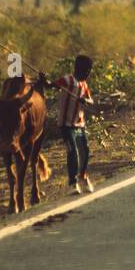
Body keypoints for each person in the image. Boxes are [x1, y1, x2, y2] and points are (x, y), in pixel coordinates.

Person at [52, 55, 95, 194]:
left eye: (90, 70)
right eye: (87, 69)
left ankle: (83, 176)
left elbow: (91, 100)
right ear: (79, 68)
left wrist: (85, 101)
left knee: (85, 152)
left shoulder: (84, 85)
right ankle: (72, 183)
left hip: (80, 124)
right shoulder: (67, 80)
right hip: (66, 125)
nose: (88, 73)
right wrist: (43, 79)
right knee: (72, 152)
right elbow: (51, 85)